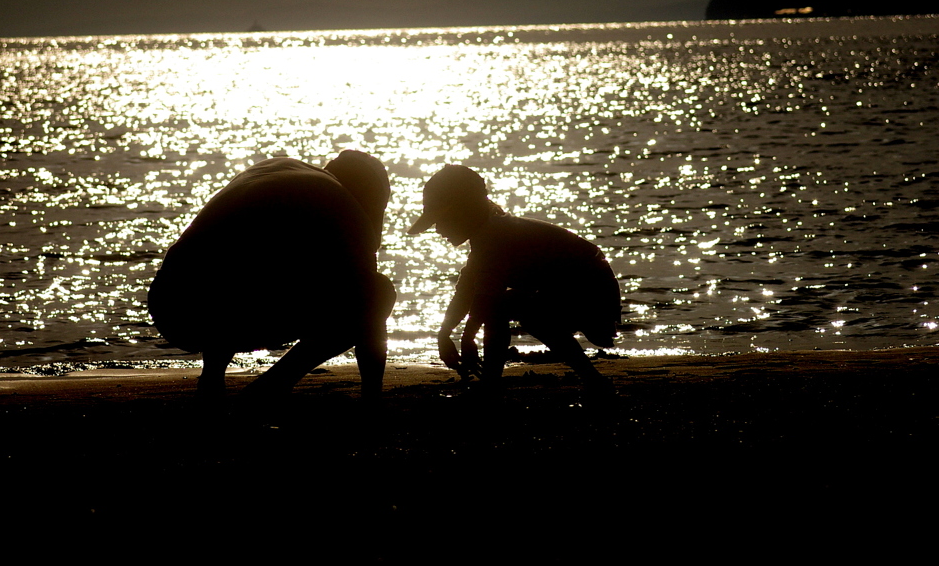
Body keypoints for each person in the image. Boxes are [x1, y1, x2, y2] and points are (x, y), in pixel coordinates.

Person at [148, 151, 395, 403]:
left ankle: (212, 378)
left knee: (234, 268)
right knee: (378, 293)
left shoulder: (274, 169)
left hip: (170, 307)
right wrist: (372, 394)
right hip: (222, 315)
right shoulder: (347, 208)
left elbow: (223, 261)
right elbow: (369, 309)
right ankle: (273, 385)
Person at [408, 164, 620, 396]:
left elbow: (487, 299)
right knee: (505, 305)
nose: (438, 229)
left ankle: (493, 382)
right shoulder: (488, 235)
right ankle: (492, 380)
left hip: (593, 298)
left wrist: (468, 337)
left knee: (508, 305)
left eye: (440, 220)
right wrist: (445, 333)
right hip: (578, 295)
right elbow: (467, 291)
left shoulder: (495, 236)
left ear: (462, 211)